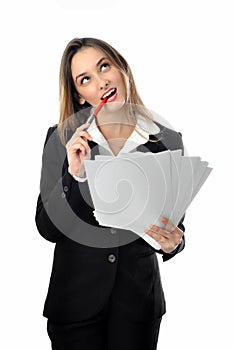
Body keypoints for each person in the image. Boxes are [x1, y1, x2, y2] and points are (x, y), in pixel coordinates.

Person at [35, 37, 185, 350]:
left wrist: (175, 242)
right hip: (75, 306)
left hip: (138, 306)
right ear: (79, 94)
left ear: (122, 69)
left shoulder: (167, 140)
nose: (101, 82)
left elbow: (174, 225)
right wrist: (75, 175)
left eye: (105, 66)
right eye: (85, 79)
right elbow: (48, 229)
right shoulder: (61, 139)